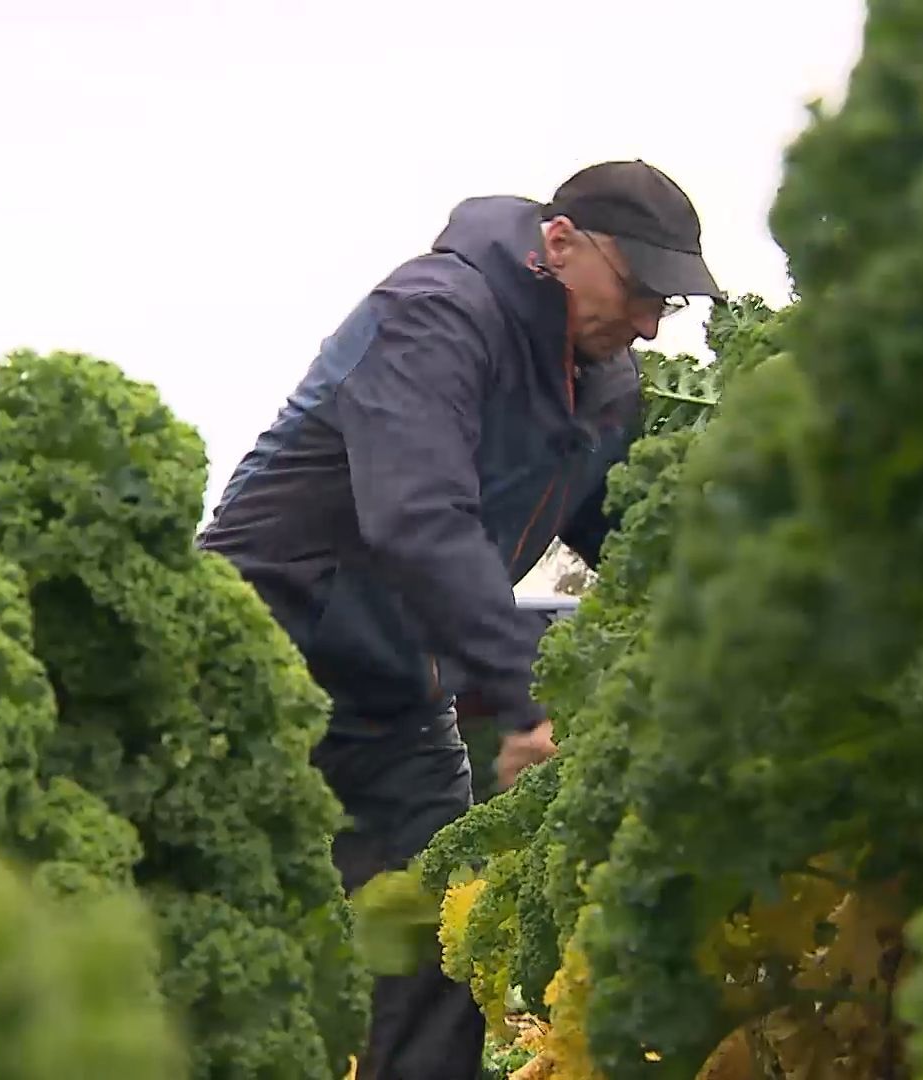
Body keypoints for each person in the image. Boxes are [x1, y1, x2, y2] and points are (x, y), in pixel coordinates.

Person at [196, 160, 723, 1079]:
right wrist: (524, 698)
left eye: (664, 307)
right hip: (248, 668)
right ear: (559, 244)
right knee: (210, 941)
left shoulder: (601, 380)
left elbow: (626, 537)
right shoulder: (437, 313)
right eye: (637, 289)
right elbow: (418, 518)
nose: (645, 323)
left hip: (391, 699)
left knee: (441, 940)